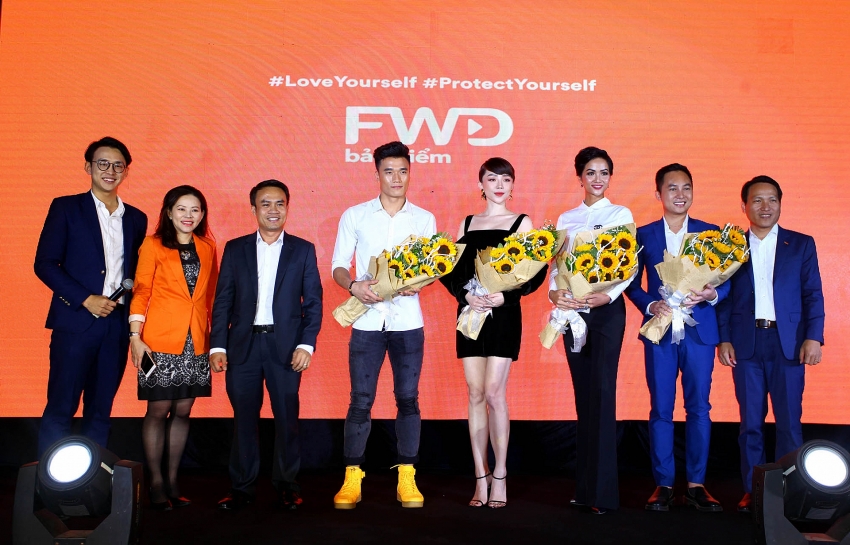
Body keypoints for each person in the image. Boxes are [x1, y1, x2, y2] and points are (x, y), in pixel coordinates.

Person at [330, 141, 436, 509]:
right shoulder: (356, 215)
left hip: (408, 322)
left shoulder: (424, 219)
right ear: (377, 174)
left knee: (408, 399)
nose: (396, 178)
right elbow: (338, 265)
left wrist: (420, 282)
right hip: (367, 321)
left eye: (403, 171)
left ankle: (407, 475)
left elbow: (431, 268)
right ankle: (352, 477)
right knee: (360, 401)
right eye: (389, 171)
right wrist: (354, 286)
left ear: (410, 173)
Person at [440, 157, 547, 508]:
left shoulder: (522, 222)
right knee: (474, 393)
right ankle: (480, 475)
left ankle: (500, 474)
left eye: (506, 179)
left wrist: (506, 296)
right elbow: (451, 271)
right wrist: (465, 295)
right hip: (470, 314)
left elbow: (535, 272)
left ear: (513, 185)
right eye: (492, 179)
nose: (499, 185)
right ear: (481, 185)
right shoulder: (467, 223)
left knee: (493, 392)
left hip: (503, 316)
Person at [210, 180, 323, 512]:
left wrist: (306, 345)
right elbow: (223, 301)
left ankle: (287, 485)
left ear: (287, 207)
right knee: (244, 419)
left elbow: (313, 303)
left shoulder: (303, 250)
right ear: (254, 209)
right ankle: (242, 488)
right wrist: (217, 346)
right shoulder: (235, 248)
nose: (273, 210)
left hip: (286, 348)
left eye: (280, 204)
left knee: (287, 418)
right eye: (265, 204)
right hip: (241, 347)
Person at [34, 136, 148, 456]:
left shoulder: (136, 218)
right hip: (75, 322)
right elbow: (45, 264)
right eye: (103, 163)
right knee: (61, 406)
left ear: (126, 171)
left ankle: (94, 480)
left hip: (116, 326)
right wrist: (86, 298)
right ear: (88, 167)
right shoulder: (66, 208)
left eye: (118, 165)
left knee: (100, 411)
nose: (110, 170)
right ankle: (49, 480)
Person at [716, 175, 824, 513]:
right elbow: (723, 298)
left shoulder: (801, 244)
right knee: (751, 425)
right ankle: (754, 491)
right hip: (746, 344)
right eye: (757, 200)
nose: (765, 207)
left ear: (780, 203)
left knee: (789, 423)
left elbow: (812, 294)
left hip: (787, 344)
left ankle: (791, 493)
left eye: (772, 200)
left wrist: (814, 336)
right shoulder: (731, 247)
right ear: (744, 206)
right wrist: (724, 338)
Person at [625, 164, 729, 512]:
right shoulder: (643, 235)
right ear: (659, 194)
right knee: (661, 408)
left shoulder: (711, 233)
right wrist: (649, 304)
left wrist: (713, 294)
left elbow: (728, 281)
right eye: (672, 188)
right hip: (660, 331)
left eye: (686, 187)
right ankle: (664, 484)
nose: (680, 194)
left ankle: (697, 484)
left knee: (699, 408)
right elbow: (630, 283)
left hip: (699, 332)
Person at [548, 146, 634, 514]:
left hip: (606, 314)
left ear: (610, 178)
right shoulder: (566, 218)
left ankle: (604, 495)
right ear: (579, 177)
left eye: (604, 173)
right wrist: (554, 292)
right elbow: (557, 266)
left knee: (602, 394)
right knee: (583, 397)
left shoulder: (620, 214)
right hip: (573, 315)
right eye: (590, 172)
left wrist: (608, 295)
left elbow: (627, 265)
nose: (597, 179)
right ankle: (584, 490)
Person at [128, 185, 217, 510]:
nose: (188, 215)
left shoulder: (208, 247)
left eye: (195, 209)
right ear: (168, 212)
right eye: (181, 208)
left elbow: (211, 296)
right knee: (158, 410)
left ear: (202, 215)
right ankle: (155, 482)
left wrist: (216, 343)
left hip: (196, 342)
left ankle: (173, 481)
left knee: (183, 411)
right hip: (158, 341)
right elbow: (141, 291)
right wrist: (135, 336)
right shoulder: (153, 245)